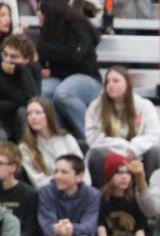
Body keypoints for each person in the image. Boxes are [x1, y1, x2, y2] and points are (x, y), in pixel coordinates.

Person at [85, 65, 160, 186]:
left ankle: (152, 197)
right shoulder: (96, 107)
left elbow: (157, 135)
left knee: (156, 152)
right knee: (97, 154)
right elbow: (93, 139)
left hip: (138, 155)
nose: (110, 85)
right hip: (110, 155)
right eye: (107, 81)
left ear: (127, 84)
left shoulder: (144, 105)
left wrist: (135, 148)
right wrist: (124, 147)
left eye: (115, 81)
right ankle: (102, 199)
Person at [36, 0, 103, 141]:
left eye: (41, 12)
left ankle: (91, 137)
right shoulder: (47, 31)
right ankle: (56, 137)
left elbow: (74, 55)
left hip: (87, 78)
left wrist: (44, 49)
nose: (38, 15)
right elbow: (39, 59)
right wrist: (40, 70)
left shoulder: (79, 26)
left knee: (64, 93)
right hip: (59, 77)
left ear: (50, 13)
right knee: (41, 93)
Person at [37, 153, 101, 236]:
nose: (58, 176)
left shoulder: (92, 194)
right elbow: (46, 225)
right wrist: (59, 229)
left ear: (79, 176)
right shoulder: (46, 192)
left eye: (64, 172)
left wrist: (72, 229)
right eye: (56, 171)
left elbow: (89, 226)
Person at [0, 34, 40, 146]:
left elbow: (33, 100)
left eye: (13, 57)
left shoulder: (34, 70)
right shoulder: (1, 70)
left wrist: (22, 70)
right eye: (5, 54)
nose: (7, 60)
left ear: (27, 59)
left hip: (19, 118)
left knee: (24, 111)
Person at [18, 96, 86, 190]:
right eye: (29, 114)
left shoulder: (66, 138)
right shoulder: (25, 147)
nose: (33, 117)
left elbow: (83, 170)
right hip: (51, 195)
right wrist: (68, 178)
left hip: (77, 190)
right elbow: (39, 183)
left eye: (38, 112)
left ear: (48, 114)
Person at [96, 152, 149, 236]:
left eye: (128, 173)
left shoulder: (135, 200)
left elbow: (140, 232)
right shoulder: (100, 200)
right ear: (110, 176)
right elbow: (102, 234)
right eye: (119, 173)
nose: (124, 177)